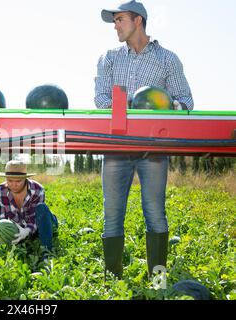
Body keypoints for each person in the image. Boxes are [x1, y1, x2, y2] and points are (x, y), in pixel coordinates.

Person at [94, 1, 194, 279]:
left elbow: (186, 101)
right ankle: (113, 282)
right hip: (116, 148)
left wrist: (163, 106)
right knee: (112, 215)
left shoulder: (167, 59)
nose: (115, 25)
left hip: (154, 150)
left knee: (155, 213)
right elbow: (102, 99)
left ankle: (159, 278)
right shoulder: (109, 58)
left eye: (120, 19)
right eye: (114, 21)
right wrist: (132, 108)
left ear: (138, 20)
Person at [0, 160, 58, 253]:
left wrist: (27, 230)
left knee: (41, 208)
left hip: (43, 223)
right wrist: (3, 235)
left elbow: (34, 218)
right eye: (10, 180)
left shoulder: (37, 190)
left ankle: (47, 252)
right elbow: (1, 220)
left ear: (25, 178)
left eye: (18, 181)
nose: (14, 185)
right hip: (19, 228)